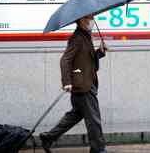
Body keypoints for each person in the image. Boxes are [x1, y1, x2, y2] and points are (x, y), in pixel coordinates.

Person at [39, 13, 108, 153]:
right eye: (89, 18)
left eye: (92, 18)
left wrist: (99, 52)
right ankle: (98, 149)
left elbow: (87, 60)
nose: (92, 20)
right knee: (94, 119)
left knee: (74, 116)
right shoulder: (77, 38)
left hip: (86, 83)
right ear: (82, 20)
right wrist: (66, 81)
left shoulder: (86, 36)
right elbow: (65, 60)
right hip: (83, 85)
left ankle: (48, 137)